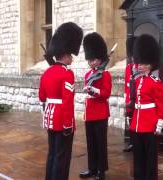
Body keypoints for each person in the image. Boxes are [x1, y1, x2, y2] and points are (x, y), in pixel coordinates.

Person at [38, 22, 83, 180]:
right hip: (62, 120)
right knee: (62, 157)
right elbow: (67, 101)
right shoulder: (67, 74)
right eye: (70, 55)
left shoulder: (47, 72)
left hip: (50, 118)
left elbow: (42, 97)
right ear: (64, 55)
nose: (72, 58)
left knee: (52, 153)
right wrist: (67, 124)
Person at [130, 34, 163, 180]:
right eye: (139, 62)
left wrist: (160, 124)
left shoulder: (156, 82)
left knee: (150, 158)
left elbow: (162, 105)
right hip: (137, 124)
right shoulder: (139, 80)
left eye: (142, 62)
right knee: (138, 157)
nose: (139, 65)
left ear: (150, 64)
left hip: (150, 124)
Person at [79, 32, 112, 180]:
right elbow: (87, 91)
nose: (91, 62)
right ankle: (92, 168)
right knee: (91, 143)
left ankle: (101, 170)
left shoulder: (105, 75)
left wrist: (93, 90)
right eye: (89, 60)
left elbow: (106, 93)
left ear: (100, 59)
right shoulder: (88, 75)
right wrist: (87, 91)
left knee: (100, 143)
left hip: (100, 113)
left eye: (93, 60)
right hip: (90, 112)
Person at [123, 36, 142, 152]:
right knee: (130, 120)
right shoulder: (128, 68)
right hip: (130, 99)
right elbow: (126, 85)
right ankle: (131, 141)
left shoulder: (140, 68)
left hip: (138, 99)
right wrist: (127, 100)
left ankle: (137, 142)